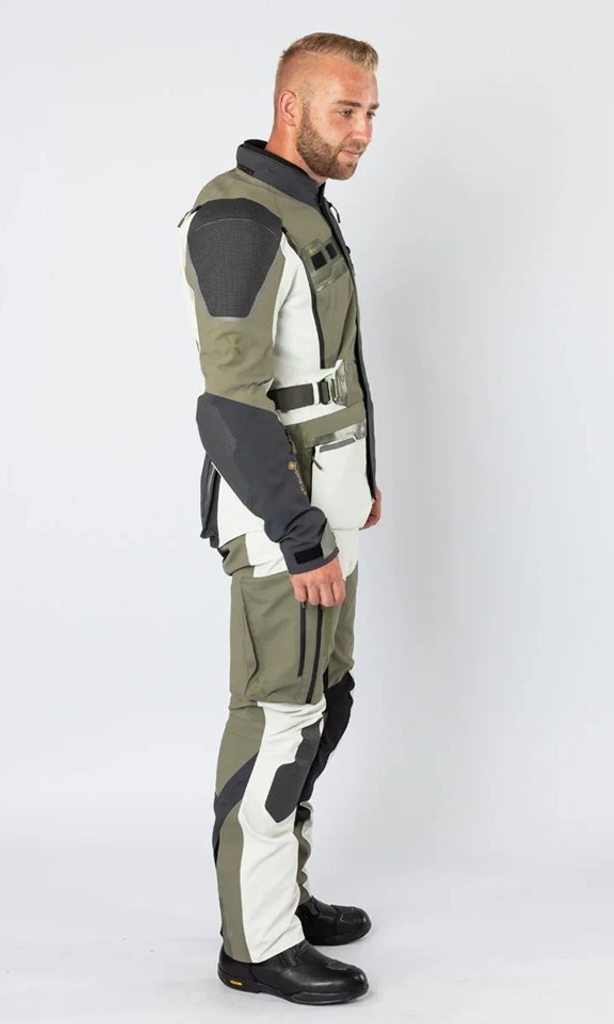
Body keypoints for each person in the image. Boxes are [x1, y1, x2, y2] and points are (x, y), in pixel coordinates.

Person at [175, 31, 383, 1006]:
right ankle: (253, 944)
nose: (364, 130)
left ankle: (281, 898)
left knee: (324, 701)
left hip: (328, 509)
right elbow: (230, 405)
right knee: (277, 720)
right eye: (347, 110)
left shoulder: (305, 206)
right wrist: (300, 534)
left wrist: (361, 484)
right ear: (289, 107)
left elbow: (332, 366)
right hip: (282, 524)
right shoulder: (238, 219)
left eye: (371, 112)